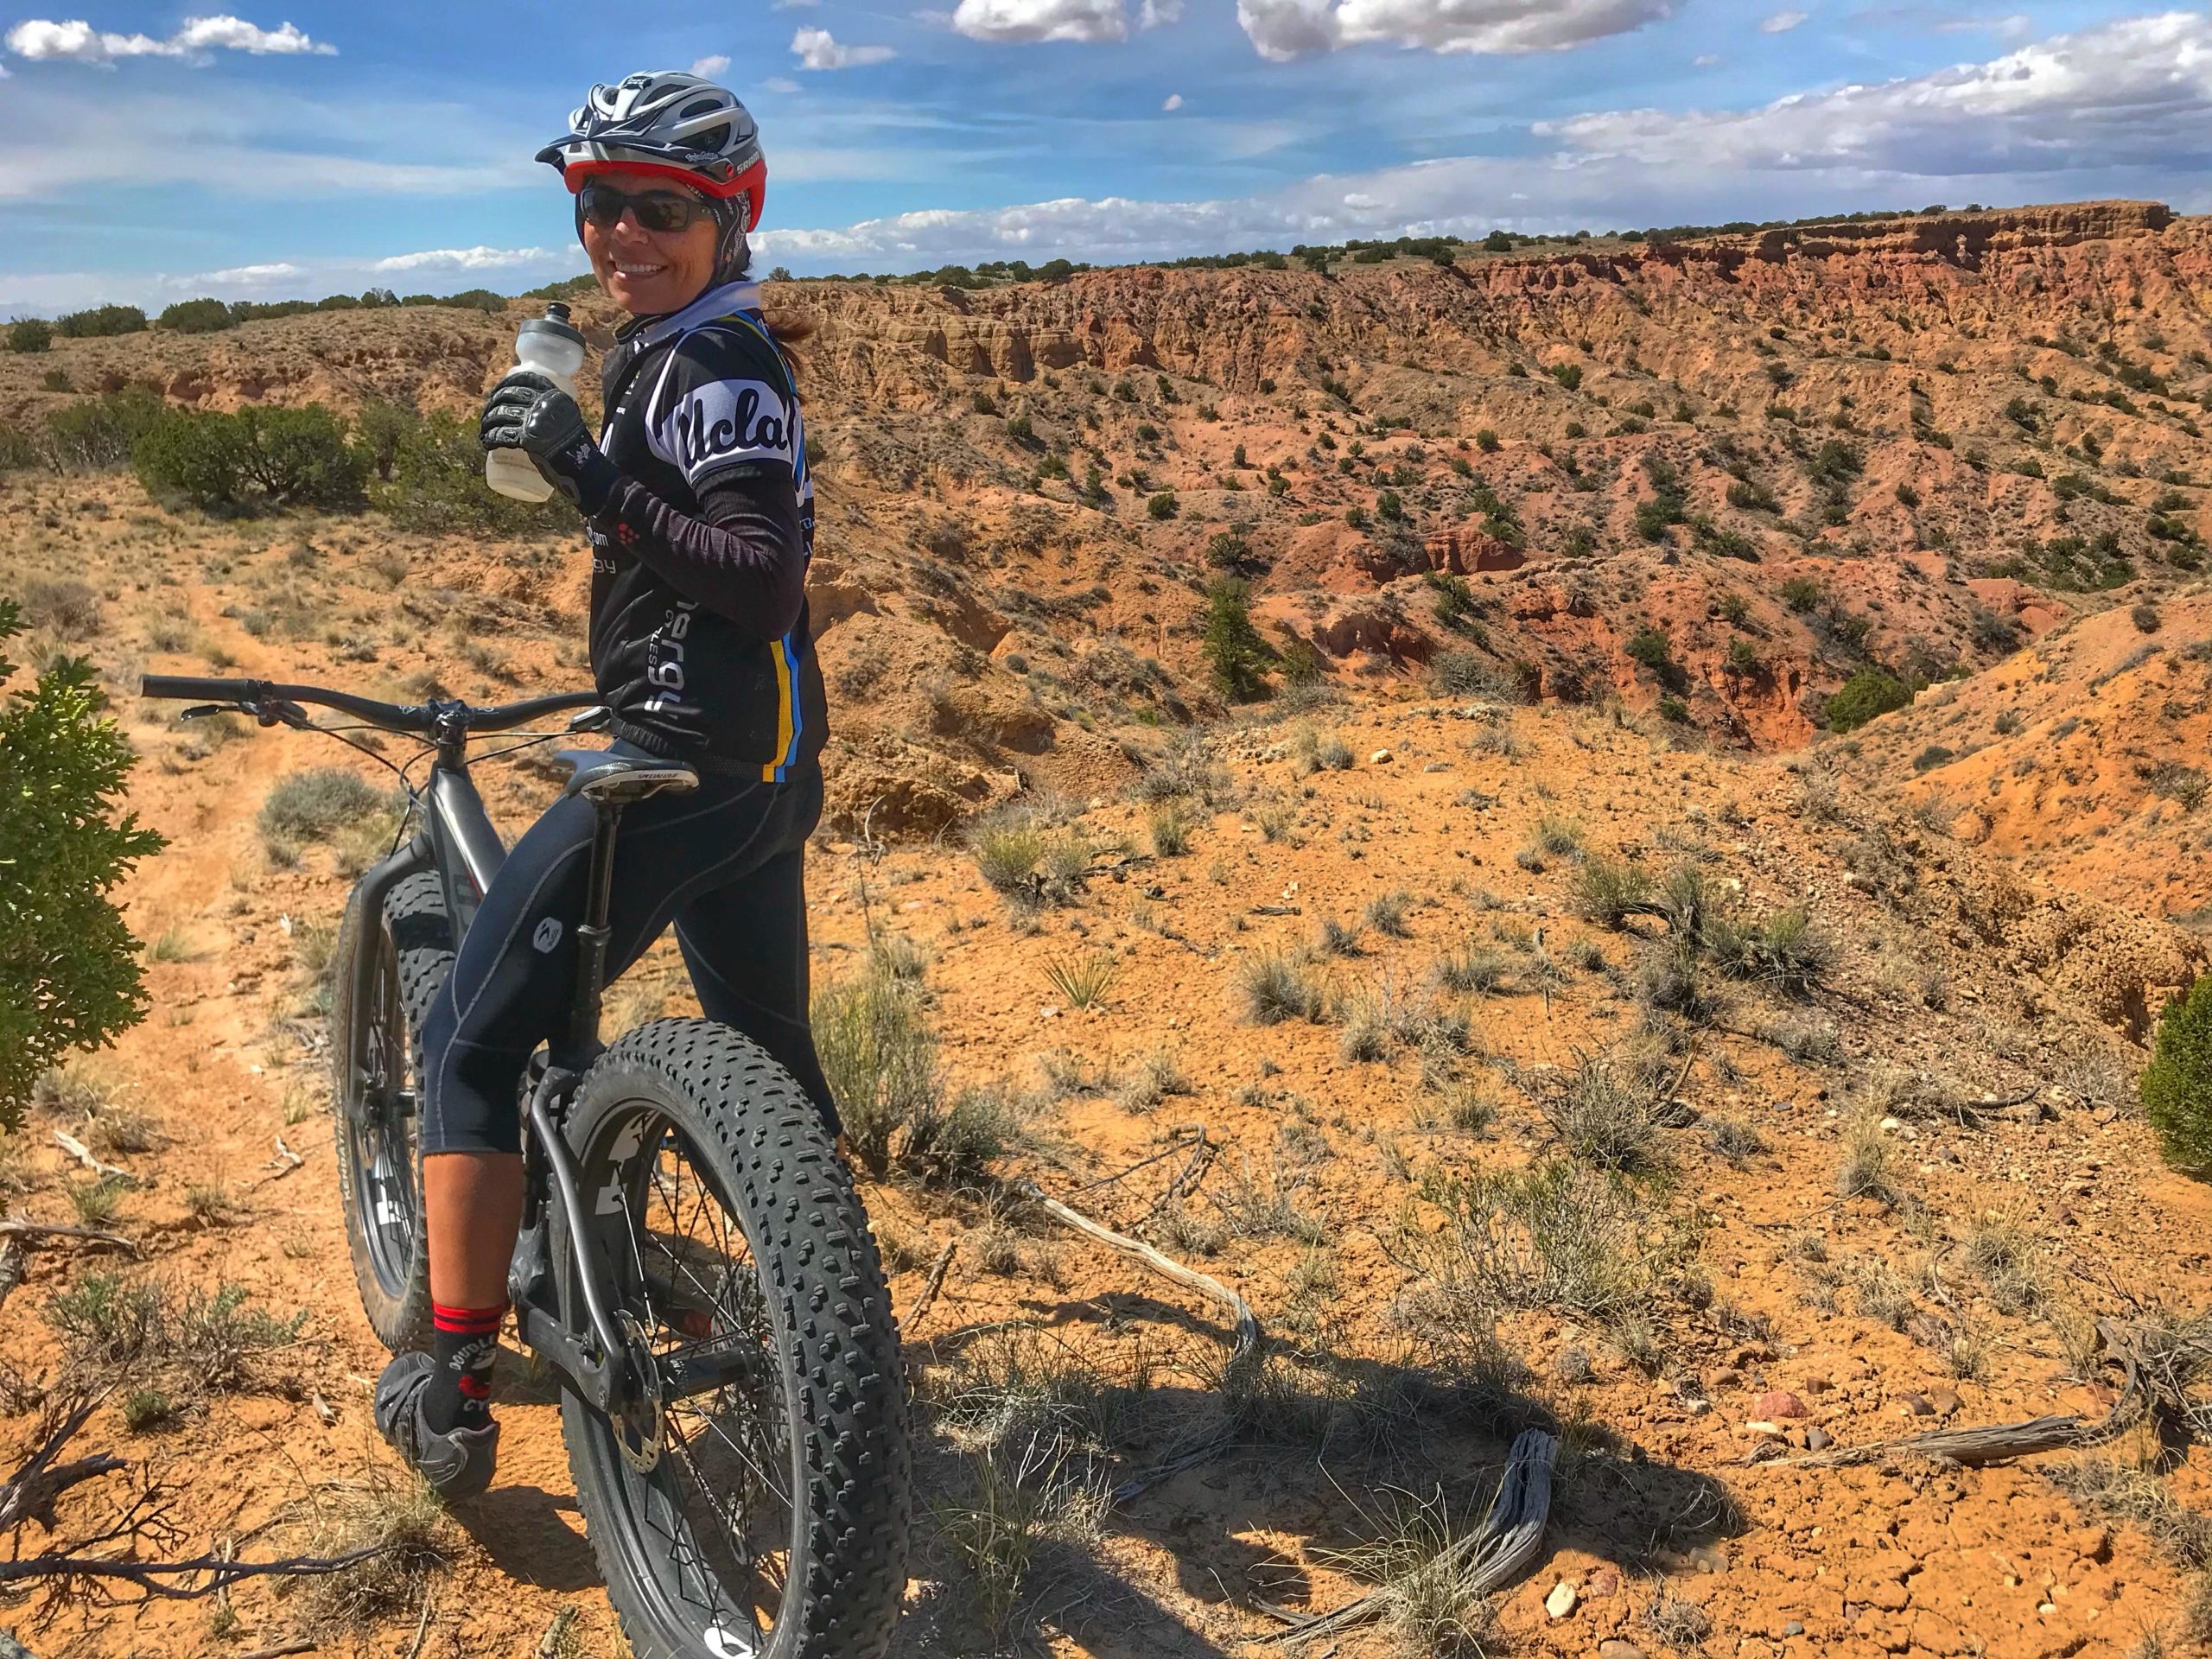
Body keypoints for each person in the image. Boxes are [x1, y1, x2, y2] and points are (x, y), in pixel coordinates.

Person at [373, 69, 836, 1501]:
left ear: (729, 214)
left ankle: (447, 1374)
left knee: (466, 1038)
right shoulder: (677, 345)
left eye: (659, 210)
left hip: (685, 770)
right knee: (769, 1053)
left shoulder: (717, 371)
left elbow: (760, 585)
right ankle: (827, 1338)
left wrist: (588, 476)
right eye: (598, 207)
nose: (622, 235)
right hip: (764, 771)